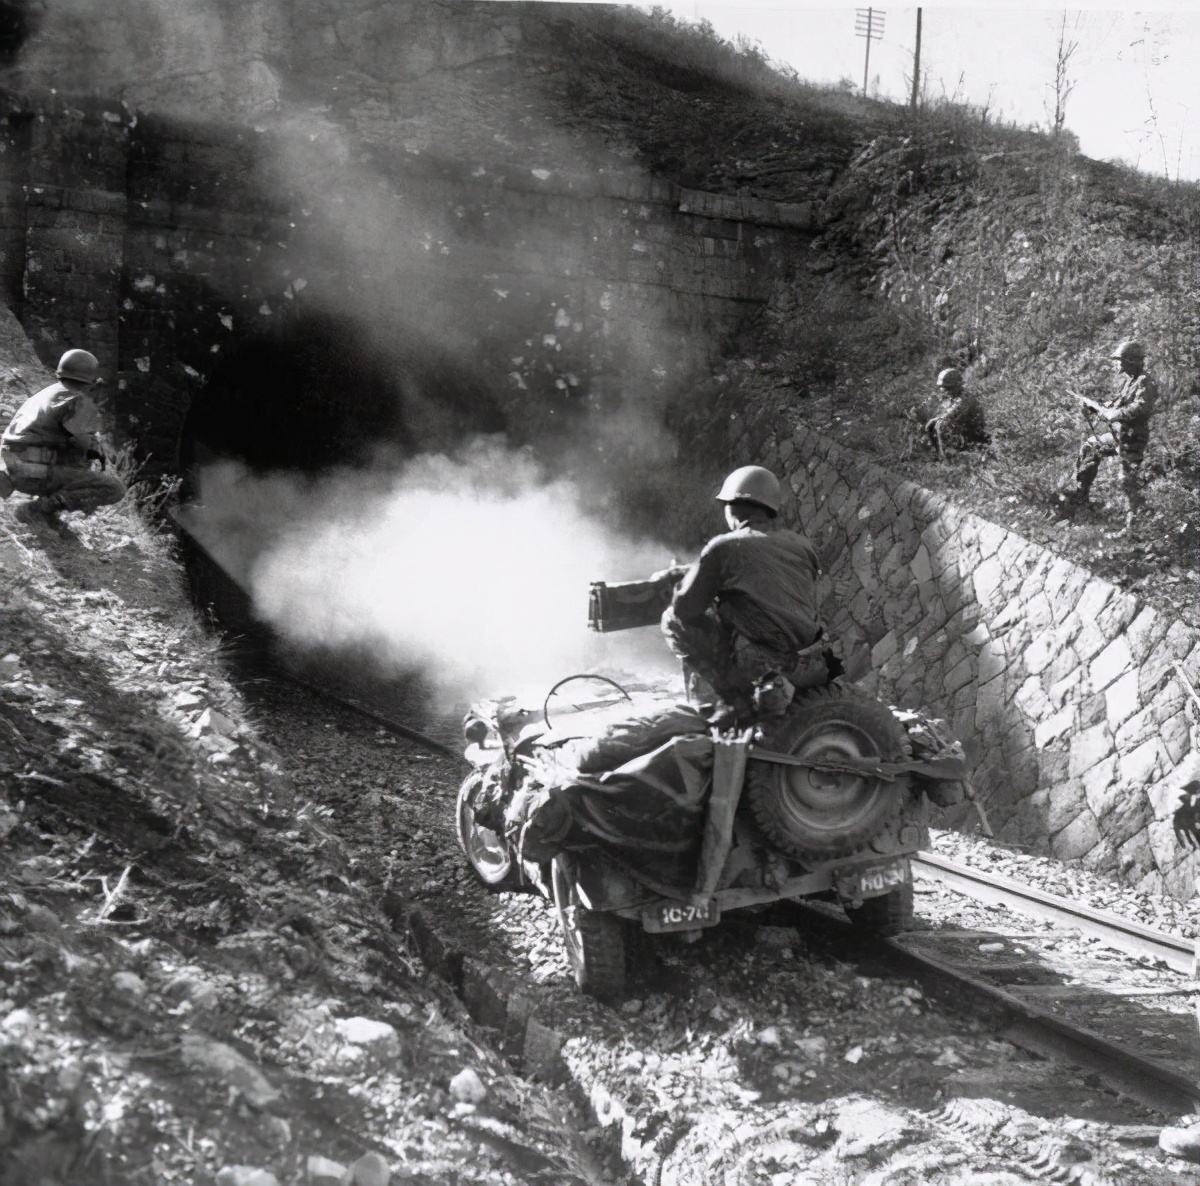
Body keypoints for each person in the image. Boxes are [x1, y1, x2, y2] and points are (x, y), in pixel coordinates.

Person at [659, 465, 832, 720]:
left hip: (762, 662)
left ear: (733, 507)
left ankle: (722, 703)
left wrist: (679, 582)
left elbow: (685, 607)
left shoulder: (724, 547)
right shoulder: (802, 545)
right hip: (811, 658)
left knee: (673, 620)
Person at [0, 349, 126, 524]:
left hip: (14, 463)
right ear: (91, 381)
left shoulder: (47, 392)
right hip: (33, 472)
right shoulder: (77, 400)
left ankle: (29, 493)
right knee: (113, 488)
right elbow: (85, 446)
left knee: (74, 457)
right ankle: (39, 510)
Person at [1061, 340, 1158, 531]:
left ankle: (1135, 530)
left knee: (1128, 481)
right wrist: (1096, 407)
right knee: (1091, 446)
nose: (1119, 365)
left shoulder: (1146, 381)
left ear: (1132, 361)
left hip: (1135, 439)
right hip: (1121, 435)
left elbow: (1141, 407)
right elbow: (1119, 404)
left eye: (1122, 361)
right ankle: (1081, 495)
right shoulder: (1131, 380)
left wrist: (1114, 415)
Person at [922, 368, 989, 458]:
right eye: (944, 389)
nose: (946, 392)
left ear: (956, 386)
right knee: (931, 425)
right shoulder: (955, 397)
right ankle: (940, 455)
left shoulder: (966, 399)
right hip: (962, 432)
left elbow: (951, 415)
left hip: (974, 437)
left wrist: (938, 420)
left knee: (941, 424)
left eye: (948, 389)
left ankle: (948, 459)